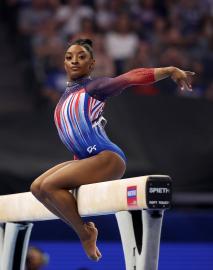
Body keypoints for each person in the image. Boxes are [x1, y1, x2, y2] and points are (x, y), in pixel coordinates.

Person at [30, 38, 194, 262]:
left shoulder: (94, 88)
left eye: (81, 57)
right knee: (37, 188)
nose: (75, 61)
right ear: (64, 64)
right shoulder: (62, 100)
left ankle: (85, 233)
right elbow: (76, 141)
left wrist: (169, 69)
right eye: (69, 57)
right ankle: (85, 229)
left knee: (49, 185)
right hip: (85, 159)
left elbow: (129, 78)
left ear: (92, 64)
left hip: (106, 157)